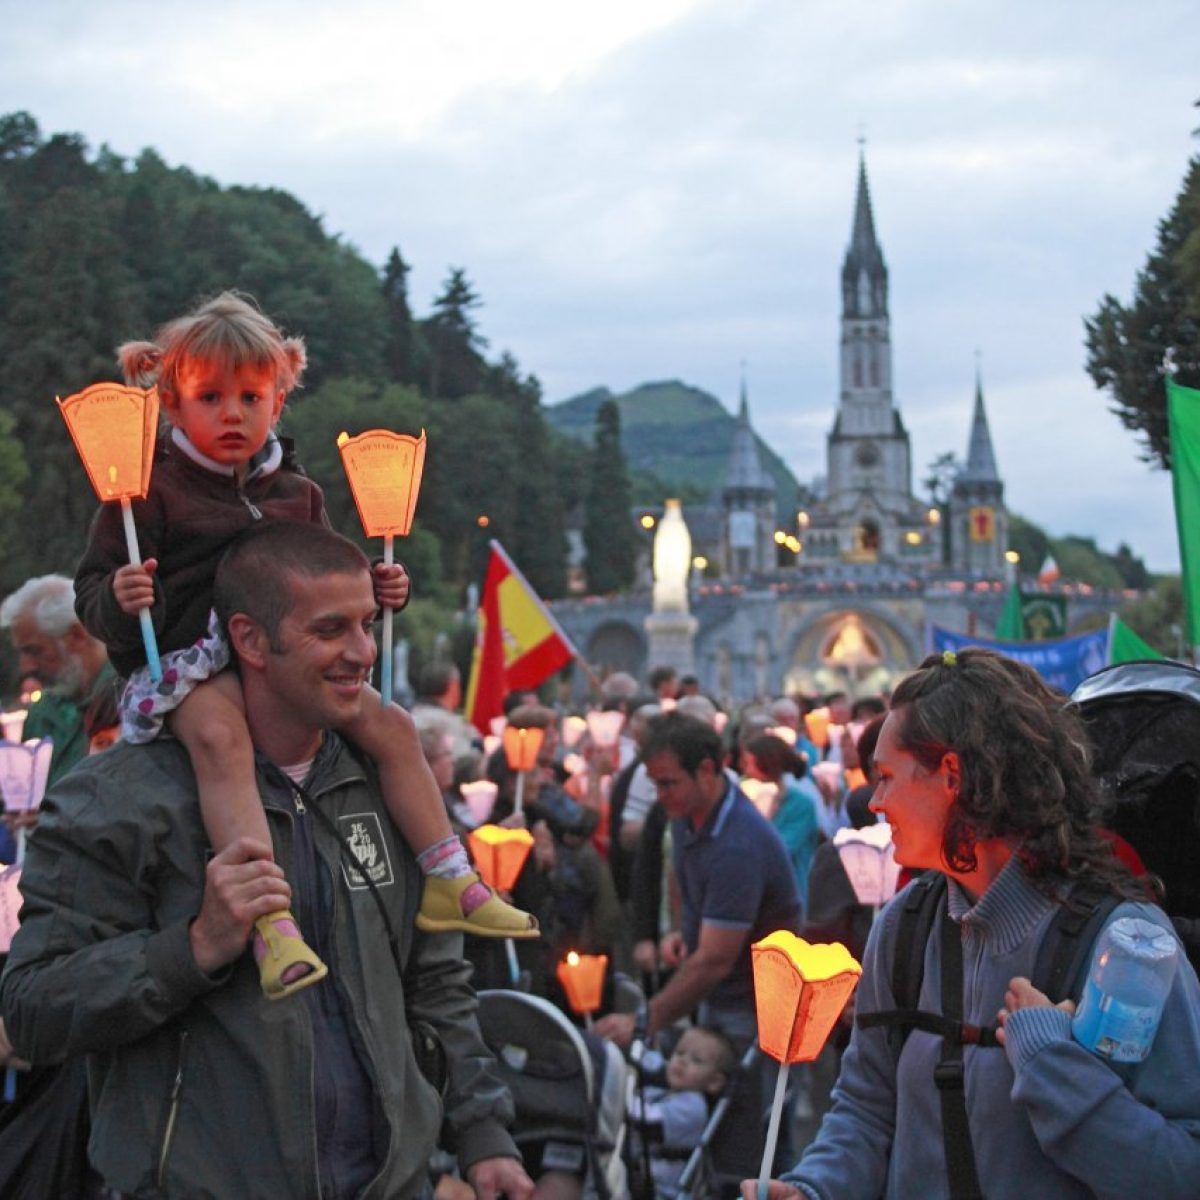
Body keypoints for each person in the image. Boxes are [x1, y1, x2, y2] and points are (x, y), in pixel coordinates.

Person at [1, 521, 535, 1200]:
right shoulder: (118, 801)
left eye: (368, 624)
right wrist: (193, 949)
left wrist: (485, 1136)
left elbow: (434, 982)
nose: (362, 652)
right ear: (250, 640)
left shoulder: (389, 786)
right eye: (330, 630)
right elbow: (34, 1007)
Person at [73, 292, 534, 1000]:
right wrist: (120, 596)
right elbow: (92, 588)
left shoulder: (297, 490)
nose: (233, 413)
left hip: (285, 663)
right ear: (171, 403)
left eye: (251, 397)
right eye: (211, 396)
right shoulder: (145, 490)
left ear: (279, 401)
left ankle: (449, 876)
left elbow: (330, 582)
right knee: (222, 741)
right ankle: (268, 919)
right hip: (188, 666)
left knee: (393, 724)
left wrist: (379, 591)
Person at [750, 648, 1200, 1200]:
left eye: (887, 777)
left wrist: (1053, 1065)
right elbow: (866, 1113)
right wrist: (815, 1188)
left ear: (954, 777)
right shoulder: (904, 928)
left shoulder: (1124, 943)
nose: (876, 803)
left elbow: (1179, 1173)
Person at [0, 574, 117, 784]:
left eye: (34, 651)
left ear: (76, 636)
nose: (26, 667)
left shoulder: (133, 698)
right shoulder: (43, 710)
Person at [628, 1025, 736, 1200]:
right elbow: (649, 1060)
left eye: (696, 1060)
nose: (682, 1061)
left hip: (665, 1191)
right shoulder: (658, 1094)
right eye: (679, 1053)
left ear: (714, 1082)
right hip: (639, 1181)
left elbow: (644, 1120)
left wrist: (619, 1093)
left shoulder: (693, 1106)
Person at [741, 732, 822, 916]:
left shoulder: (800, 803)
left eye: (749, 764)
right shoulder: (744, 796)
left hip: (789, 898)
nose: (746, 772)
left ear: (766, 764)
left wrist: (765, 811)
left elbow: (779, 850)